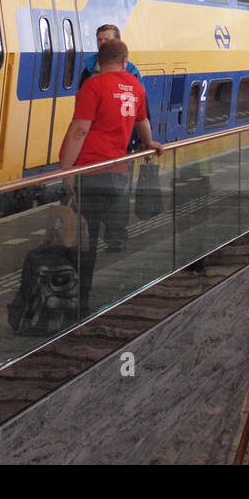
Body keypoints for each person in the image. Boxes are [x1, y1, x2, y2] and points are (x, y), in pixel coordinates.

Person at [56, 40, 164, 310]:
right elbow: (142, 122)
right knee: (103, 236)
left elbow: (80, 130)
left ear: (99, 62)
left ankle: (79, 301)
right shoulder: (135, 87)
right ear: (125, 61)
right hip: (117, 175)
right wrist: (149, 143)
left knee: (82, 241)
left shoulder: (94, 86)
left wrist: (67, 173)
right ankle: (106, 297)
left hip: (90, 172)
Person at [79, 23, 143, 248]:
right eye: (99, 40)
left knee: (119, 195)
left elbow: (140, 113)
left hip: (122, 145)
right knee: (96, 195)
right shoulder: (88, 69)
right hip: (94, 149)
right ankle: (90, 239)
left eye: (107, 40)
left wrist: (141, 142)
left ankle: (116, 237)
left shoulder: (132, 73)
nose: (102, 44)